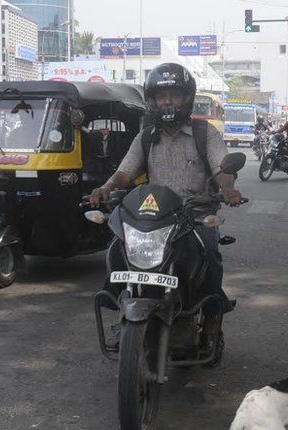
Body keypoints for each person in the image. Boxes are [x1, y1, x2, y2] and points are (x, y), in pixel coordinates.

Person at [88, 62, 243, 341]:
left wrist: (228, 189)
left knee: (210, 254)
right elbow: (126, 171)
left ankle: (210, 317)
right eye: (162, 96)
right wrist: (106, 187)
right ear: (153, 101)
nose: (167, 101)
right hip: (155, 215)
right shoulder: (146, 136)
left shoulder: (204, 133)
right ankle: (121, 302)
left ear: (186, 98)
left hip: (194, 215)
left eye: (174, 94)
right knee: (117, 248)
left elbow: (222, 169)